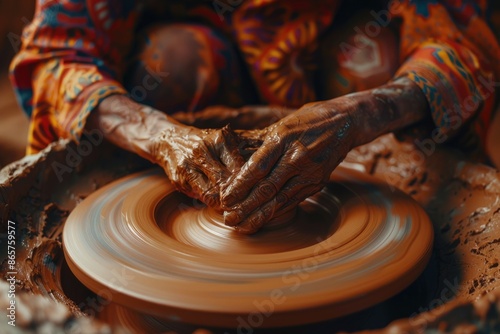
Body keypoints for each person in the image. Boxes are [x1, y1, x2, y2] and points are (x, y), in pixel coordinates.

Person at [10, 0, 500, 233]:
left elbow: (463, 44)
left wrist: (366, 112)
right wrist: (157, 134)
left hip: (334, 66)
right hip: (204, 73)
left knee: (370, 59)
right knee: (171, 61)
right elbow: (56, 52)